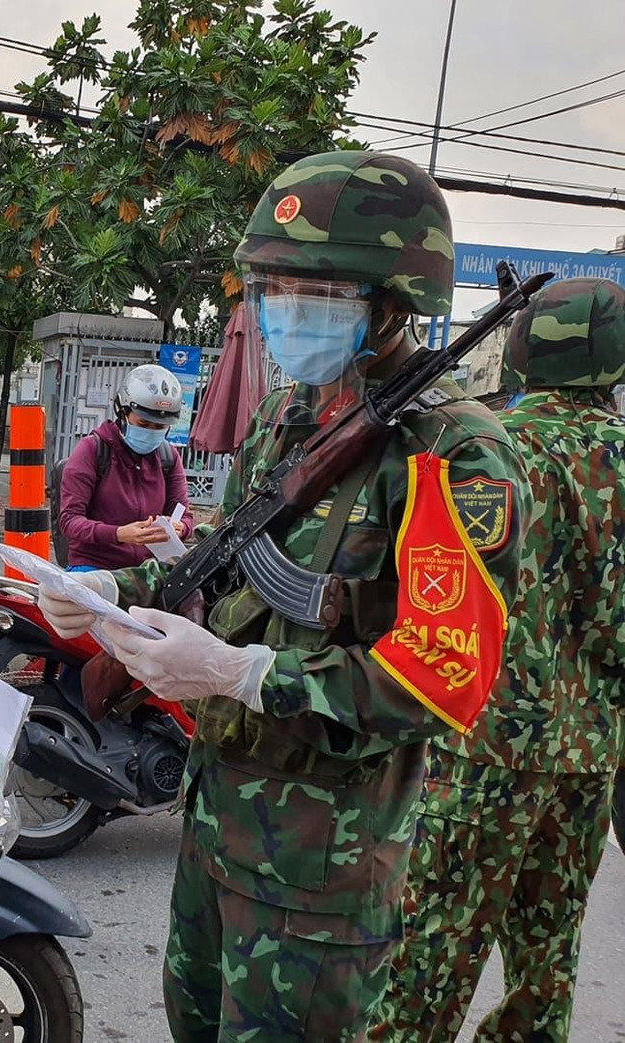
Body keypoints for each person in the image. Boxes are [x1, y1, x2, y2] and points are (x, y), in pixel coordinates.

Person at [36, 151, 528, 1041]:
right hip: (217, 818)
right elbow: (229, 558)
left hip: (324, 867)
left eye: (310, 289)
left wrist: (246, 673)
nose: (280, 310)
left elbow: (442, 678)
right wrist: (111, 586)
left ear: (386, 302)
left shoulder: (452, 455)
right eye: (271, 287)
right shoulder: (289, 416)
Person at [373, 277, 625, 1042]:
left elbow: (430, 598)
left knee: (429, 959)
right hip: (588, 758)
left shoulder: (490, 443)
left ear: (522, 349)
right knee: (547, 963)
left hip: (481, 750)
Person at [57, 363, 194, 570]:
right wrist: (119, 534)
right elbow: (70, 521)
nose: (151, 432)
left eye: (159, 427)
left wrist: (180, 527)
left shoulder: (168, 457)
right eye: (143, 424)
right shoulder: (91, 450)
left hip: (149, 570)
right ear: (122, 413)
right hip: (95, 566)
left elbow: (185, 516)